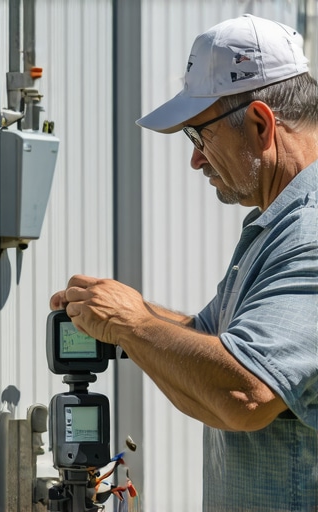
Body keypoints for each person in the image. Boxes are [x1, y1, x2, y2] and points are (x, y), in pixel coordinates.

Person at [50, 14, 318, 511]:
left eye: (199, 136)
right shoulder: (275, 225)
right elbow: (209, 339)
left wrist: (130, 323)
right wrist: (114, 309)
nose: (196, 160)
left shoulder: (310, 231)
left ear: (260, 124)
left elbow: (247, 391)